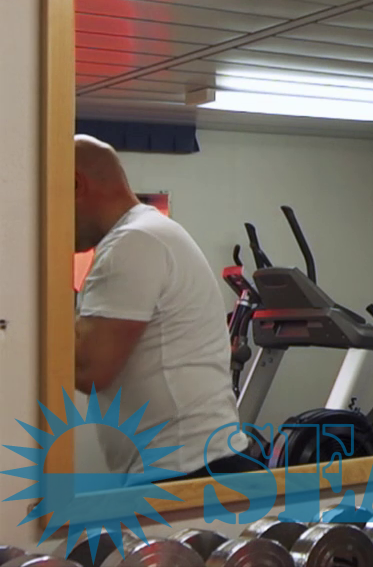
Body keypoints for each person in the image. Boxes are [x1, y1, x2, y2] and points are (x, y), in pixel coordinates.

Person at [73, 135, 255, 480]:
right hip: (190, 465)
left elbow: (88, 371)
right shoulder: (148, 232)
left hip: (189, 469)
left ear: (74, 184)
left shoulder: (134, 242)